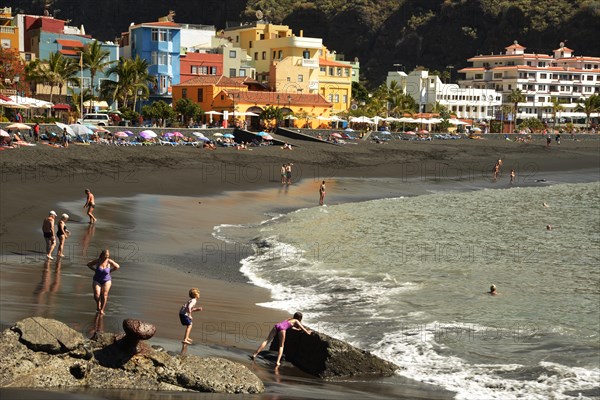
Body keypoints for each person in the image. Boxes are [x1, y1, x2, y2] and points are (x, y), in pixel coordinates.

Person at [87, 249, 120, 314]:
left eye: (107, 256)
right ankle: (98, 304)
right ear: (102, 255)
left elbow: (117, 266)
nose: (106, 257)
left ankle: (102, 309)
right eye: (105, 256)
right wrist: (94, 270)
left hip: (106, 280)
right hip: (97, 279)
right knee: (96, 295)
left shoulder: (109, 261)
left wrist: (111, 271)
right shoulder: (98, 261)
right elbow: (89, 264)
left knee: (104, 295)